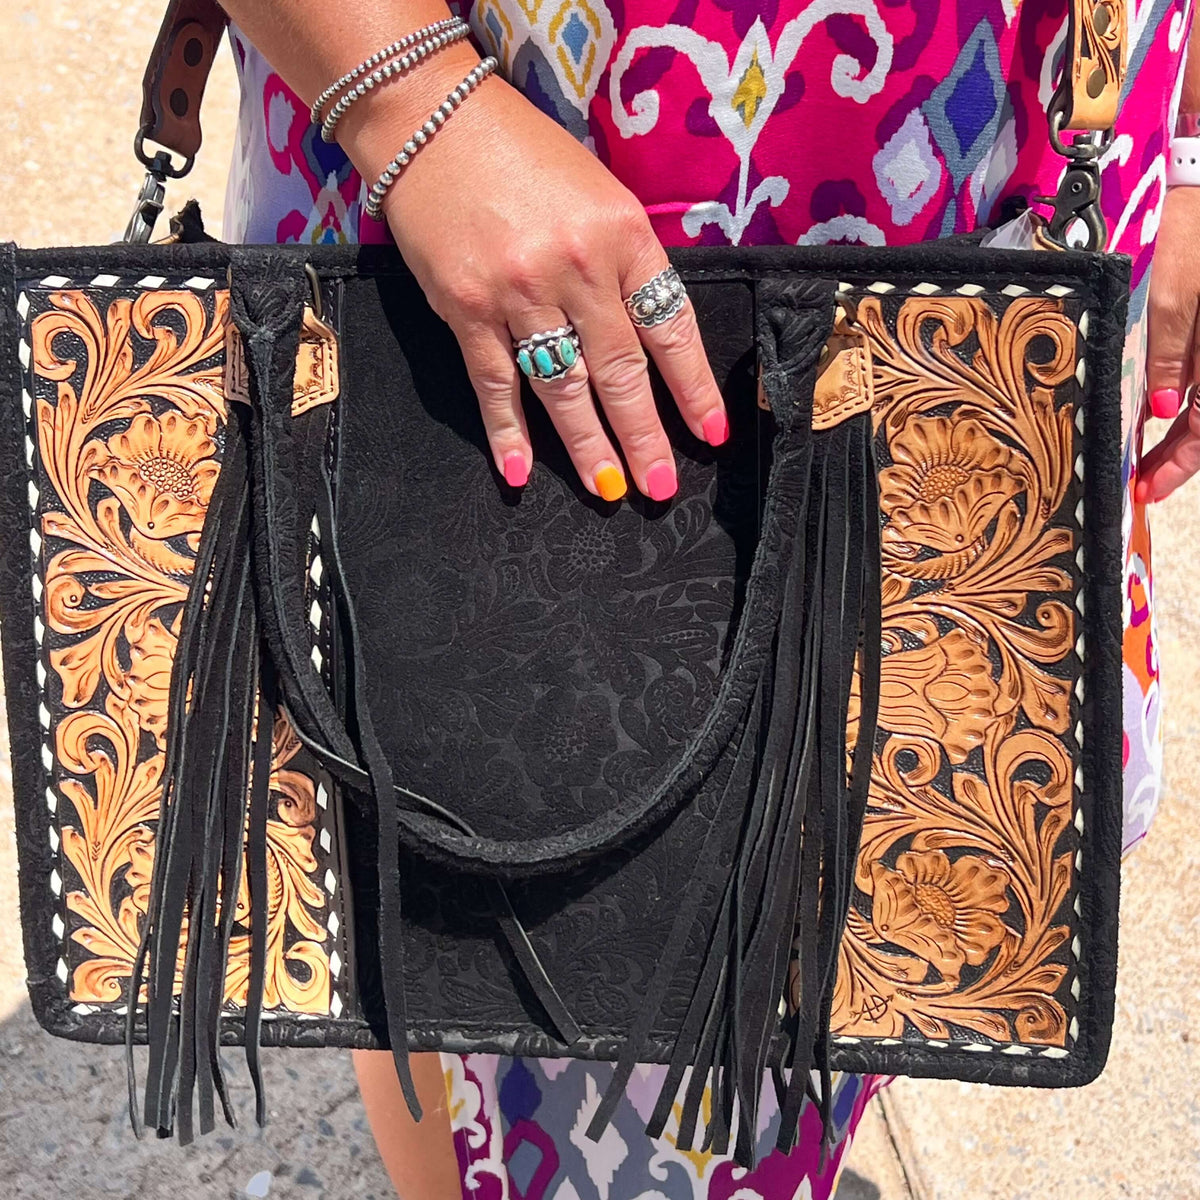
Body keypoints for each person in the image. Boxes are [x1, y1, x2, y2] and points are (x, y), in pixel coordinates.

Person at [215, 0, 1195, 1194]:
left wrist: (1187, 143)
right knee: (457, 883)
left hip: (1033, 171)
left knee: (899, 869)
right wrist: (413, 105)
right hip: (489, 167)